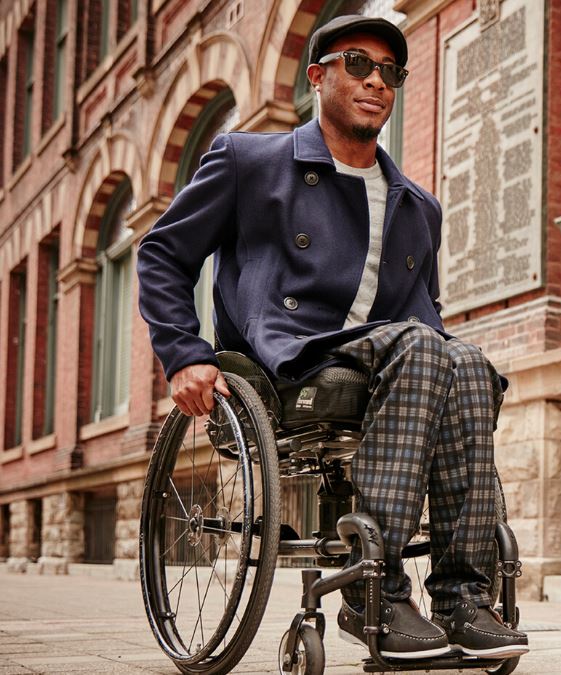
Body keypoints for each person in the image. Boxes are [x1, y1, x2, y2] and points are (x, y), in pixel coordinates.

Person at [136, 14, 528, 660]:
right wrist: (184, 352)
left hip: (391, 360)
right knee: (428, 348)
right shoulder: (250, 162)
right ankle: (376, 589)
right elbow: (161, 254)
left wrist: (461, 377)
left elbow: (423, 315)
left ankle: (461, 594)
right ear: (317, 77)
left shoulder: (417, 206)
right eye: (358, 64)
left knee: (469, 358)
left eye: (390, 72)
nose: (376, 80)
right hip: (285, 360)